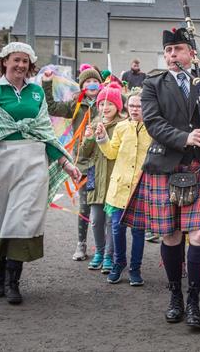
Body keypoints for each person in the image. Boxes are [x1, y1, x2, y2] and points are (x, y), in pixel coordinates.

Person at [121, 28, 200, 329]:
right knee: (171, 235)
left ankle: (193, 300)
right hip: (165, 165)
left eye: (178, 49)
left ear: (192, 53)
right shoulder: (153, 83)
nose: (172, 55)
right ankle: (175, 296)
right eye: (168, 51)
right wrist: (186, 136)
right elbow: (153, 122)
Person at [0, 42, 81, 304]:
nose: (20, 65)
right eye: (16, 60)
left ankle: (13, 281)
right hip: (2, 163)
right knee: (1, 219)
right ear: (4, 61)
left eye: (25, 62)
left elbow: (45, 134)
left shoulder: (37, 93)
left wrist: (66, 163)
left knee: (22, 219)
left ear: (31, 66)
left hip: (33, 164)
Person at [42, 64, 102, 261]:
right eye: (88, 81)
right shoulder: (76, 103)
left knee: (104, 208)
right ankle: (81, 244)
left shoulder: (108, 100)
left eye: (96, 81)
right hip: (83, 161)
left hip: (105, 161)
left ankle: (106, 249)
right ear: (83, 85)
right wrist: (47, 84)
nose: (93, 84)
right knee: (85, 204)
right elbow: (52, 107)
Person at [95, 89, 152, 286]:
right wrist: (102, 138)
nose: (135, 109)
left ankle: (135, 269)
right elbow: (111, 154)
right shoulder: (120, 127)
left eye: (140, 105)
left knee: (138, 232)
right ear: (127, 107)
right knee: (118, 228)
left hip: (141, 188)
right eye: (132, 105)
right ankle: (119, 264)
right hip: (119, 188)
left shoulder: (153, 128)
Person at [81, 83, 124, 273]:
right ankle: (98, 251)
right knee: (97, 219)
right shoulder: (92, 123)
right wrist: (89, 138)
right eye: (101, 105)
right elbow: (84, 154)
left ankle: (109, 255)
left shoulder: (122, 126)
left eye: (109, 105)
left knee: (111, 221)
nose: (105, 108)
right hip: (96, 179)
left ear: (118, 107)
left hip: (114, 179)